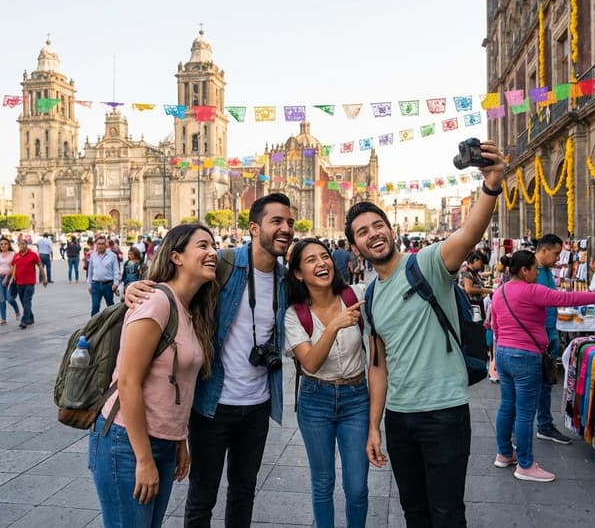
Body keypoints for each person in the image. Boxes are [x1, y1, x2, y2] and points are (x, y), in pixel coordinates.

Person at [345, 140, 505, 526]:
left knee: (447, 513)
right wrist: (374, 427)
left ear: (390, 229)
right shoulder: (372, 298)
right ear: (355, 246)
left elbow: (468, 235)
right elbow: (378, 367)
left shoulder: (428, 264)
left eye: (378, 225)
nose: (374, 234)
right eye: (363, 232)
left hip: (443, 413)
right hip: (399, 419)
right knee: (413, 511)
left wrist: (492, 184)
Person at [126, 193, 293, 527]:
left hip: (258, 405)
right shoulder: (225, 265)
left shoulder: (287, 278)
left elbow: (326, 287)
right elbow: (174, 288)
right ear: (254, 228)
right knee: (203, 495)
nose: (285, 228)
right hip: (213, 405)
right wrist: (132, 290)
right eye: (276, 221)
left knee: (244, 491)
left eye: (289, 222)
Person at [90, 223, 218, 528]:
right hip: (126, 441)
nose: (212, 252)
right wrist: (144, 460)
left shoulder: (189, 309)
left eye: (213, 246)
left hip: (162, 441)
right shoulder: (157, 302)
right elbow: (128, 382)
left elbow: (176, 386)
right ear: (176, 256)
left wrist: (179, 440)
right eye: (203, 246)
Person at [491, 250, 595, 482]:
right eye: (534, 268)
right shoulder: (532, 291)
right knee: (525, 413)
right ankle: (525, 465)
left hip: (504, 353)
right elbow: (568, 299)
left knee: (507, 406)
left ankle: (504, 453)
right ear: (524, 270)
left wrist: (496, 356)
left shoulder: (500, 291)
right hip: (525, 356)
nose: (537, 273)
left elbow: (494, 326)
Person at [285, 238, 369, 527]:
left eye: (325, 256)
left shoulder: (354, 296)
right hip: (315, 399)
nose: (322, 263)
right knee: (323, 483)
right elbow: (309, 362)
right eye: (311, 260)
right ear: (298, 273)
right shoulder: (294, 315)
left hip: (356, 398)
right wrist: (333, 326)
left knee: (357, 486)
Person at [532, 233, 573, 446]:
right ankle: (528, 427)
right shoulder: (530, 272)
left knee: (547, 382)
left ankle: (545, 424)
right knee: (532, 385)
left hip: (551, 332)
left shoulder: (547, 271)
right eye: (556, 254)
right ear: (544, 250)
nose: (558, 258)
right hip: (539, 335)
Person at [7, 238, 47, 329]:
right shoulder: (16, 256)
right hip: (18, 283)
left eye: (23, 244)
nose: (21, 245)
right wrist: (7, 279)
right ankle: (30, 317)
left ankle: (24, 320)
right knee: (23, 301)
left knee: (26, 300)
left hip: (29, 283)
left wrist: (44, 278)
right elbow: (13, 268)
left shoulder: (33, 255)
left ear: (27, 245)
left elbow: (40, 266)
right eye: (20, 244)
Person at [0, 237, 21, 326]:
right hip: (0, 279)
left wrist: (6, 278)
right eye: (1, 244)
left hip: (10, 279)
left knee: (10, 298)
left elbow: (13, 267)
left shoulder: (13, 254)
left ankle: (17, 310)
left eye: (5, 244)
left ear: (9, 245)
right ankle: (3, 319)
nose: (3, 245)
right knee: (2, 299)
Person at [87, 235, 121, 316]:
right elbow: (90, 271)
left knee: (111, 307)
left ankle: (112, 325)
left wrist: (115, 283)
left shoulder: (112, 255)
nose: (100, 246)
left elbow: (116, 270)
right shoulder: (93, 256)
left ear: (106, 244)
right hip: (95, 285)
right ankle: (94, 327)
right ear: (96, 245)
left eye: (102, 243)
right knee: (95, 308)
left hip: (108, 285)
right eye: (98, 244)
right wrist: (89, 284)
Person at [460, 251, 491, 320]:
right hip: (473, 305)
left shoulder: (473, 272)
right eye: (480, 263)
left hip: (477, 303)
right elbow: (468, 289)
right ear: (475, 260)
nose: (480, 265)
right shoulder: (467, 273)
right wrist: (484, 290)